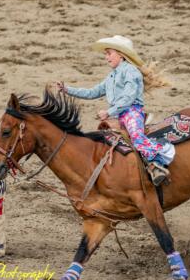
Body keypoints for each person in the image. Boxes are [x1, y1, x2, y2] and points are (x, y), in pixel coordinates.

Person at [56, 35, 175, 186]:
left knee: (137, 137)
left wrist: (109, 112)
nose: (106, 57)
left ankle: (157, 165)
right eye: (106, 54)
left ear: (121, 54)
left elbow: (129, 97)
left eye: (109, 53)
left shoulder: (131, 71)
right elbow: (92, 92)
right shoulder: (111, 76)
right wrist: (67, 90)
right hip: (117, 115)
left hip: (132, 112)